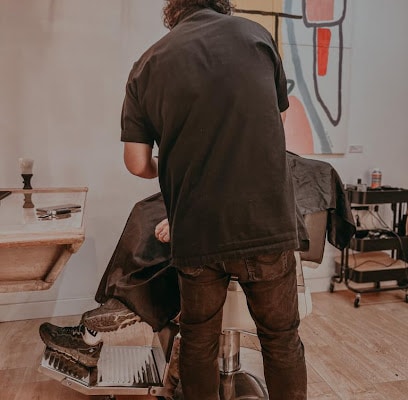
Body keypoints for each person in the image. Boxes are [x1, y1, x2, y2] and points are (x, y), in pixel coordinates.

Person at [120, 1, 307, 399]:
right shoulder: (256, 36)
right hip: (265, 224)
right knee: (281, 340)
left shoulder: (147, 63)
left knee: (198, 341)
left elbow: (137, 164)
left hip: (197, 231)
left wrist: (172, 163)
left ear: (173, 9)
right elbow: (278, 124)